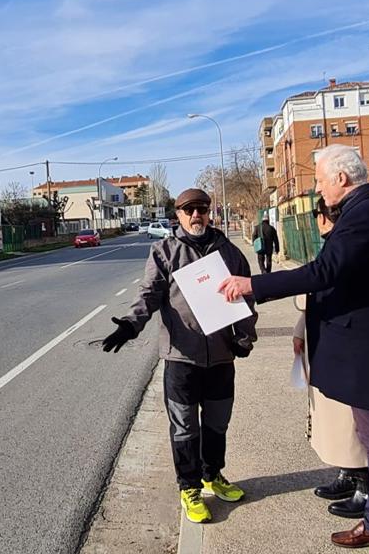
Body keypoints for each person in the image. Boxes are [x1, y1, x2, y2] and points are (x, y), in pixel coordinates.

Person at [218, 145, 369, 554]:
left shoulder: (367, 214)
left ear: (342, 178)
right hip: (363, 353)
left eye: (318, 179)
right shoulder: (362, 210)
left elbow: (323, 272)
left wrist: (251, 285)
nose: (316, 187)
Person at [103, 187, 258, 525]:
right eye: (189, 210)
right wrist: (131, 325)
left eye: (201, 208)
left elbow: (247, 299)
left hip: (220, 357)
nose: (196, 215)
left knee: (217, 424)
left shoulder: (230, 253)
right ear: (178, 215)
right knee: (185, 427)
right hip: (181, 359)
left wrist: (244, 338)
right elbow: (149, 295)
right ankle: (189, 487)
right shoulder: (164, 252)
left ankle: (211, 475)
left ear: (209, 211)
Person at [296, 199, 369, 520]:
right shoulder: (332, 244)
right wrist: (300, 330)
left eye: (321, 214)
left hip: (346, 347)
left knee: (352, 421)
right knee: (331, 419)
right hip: (323, 344)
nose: (319, 220)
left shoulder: (351, 246)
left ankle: (366, 486)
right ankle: (348, 473)